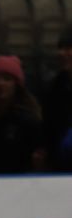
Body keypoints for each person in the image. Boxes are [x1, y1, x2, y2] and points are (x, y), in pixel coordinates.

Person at [42, 28, 72, 172]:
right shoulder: (55, 87)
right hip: (60, 168)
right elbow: (49, 127)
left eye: (68, 48)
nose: (62, 53)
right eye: (60, 48)